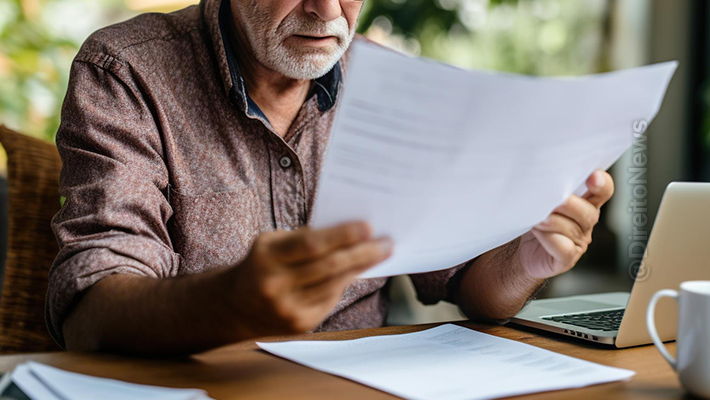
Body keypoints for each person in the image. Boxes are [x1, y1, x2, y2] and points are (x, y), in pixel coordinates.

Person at [47, 0, 614, 355]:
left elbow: (468, 285)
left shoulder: (393, 87)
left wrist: (527, 260)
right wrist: (231, 302)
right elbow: (90, 313)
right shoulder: (126, 71)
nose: (326, 10)